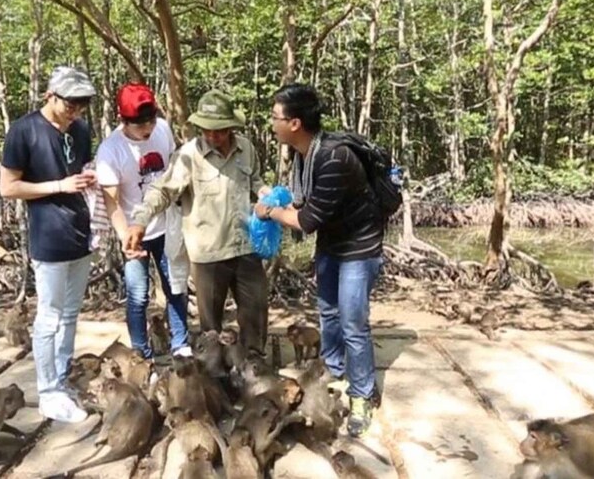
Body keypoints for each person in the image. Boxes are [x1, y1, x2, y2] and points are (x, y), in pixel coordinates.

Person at [254, 83, 385, 437]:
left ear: (294, 123)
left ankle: (362, 395)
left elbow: (305, 221)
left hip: (360, 247)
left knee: (353, 322)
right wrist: (278, 200)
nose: (272, 123)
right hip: (333, 243)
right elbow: (301, 204)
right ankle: (333, 368)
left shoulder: (333, 158)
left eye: (275, 117)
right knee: (328, 311)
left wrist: (268, 211)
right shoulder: (302, 153)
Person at [126, 89, 271, 354]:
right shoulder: (188, 156)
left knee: (256, 317)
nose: (212, 136)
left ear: (230, 127)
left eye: (219, 130)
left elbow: (255, 180)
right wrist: (140, 222)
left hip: (246, 246)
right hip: (208, 255)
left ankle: (255, 373)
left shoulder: (246, 149)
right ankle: (215, 383)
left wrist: (265, 194)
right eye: (206, 130)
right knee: (212, 332)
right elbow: (163, 190)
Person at [0, 66, 97, 423]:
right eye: (70, 104)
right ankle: (47, 391)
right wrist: (58, 186)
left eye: (81, 106)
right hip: (48, 237)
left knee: (71, 314)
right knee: (49, 317)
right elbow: (8, 187)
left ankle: (61, 381)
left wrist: (88, 179)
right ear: (50, 96)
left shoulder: (81, 130)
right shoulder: (24, 131)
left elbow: (80, 170)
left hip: (81, 233)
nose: (76, 112)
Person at [95, 83, 191, 358]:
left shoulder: (161, 129)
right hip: (133, 231)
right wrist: (126, 236)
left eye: (150, 120)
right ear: (122, 120)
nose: (147, 129)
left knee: (176, 286)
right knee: (138, 296)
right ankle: (141, 353)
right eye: (139, 125)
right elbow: (111, 200)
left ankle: (181, 344)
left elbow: (174, 168)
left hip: (166, 225)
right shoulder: (111, 151)